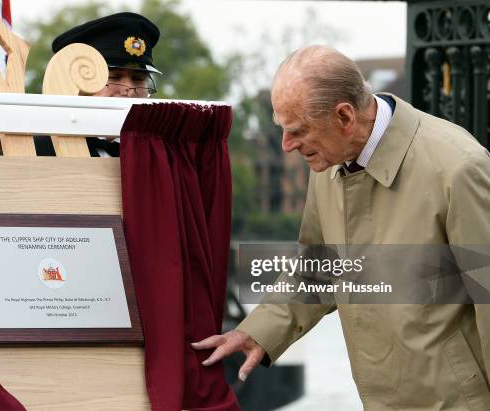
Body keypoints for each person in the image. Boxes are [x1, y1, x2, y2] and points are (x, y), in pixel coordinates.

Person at [193, 45, 490, 410]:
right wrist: (257, 333)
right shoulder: (330, 161)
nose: (286, 146)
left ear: (345, 117)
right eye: (283, 130)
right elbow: (319, 270)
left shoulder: (458, 167)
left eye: (297, 131)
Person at [43, 12, 161, 157]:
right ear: (79, 84)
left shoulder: (160, 155)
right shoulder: (39, 150)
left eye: (138, 78)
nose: (129, 91)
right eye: (115, 77)